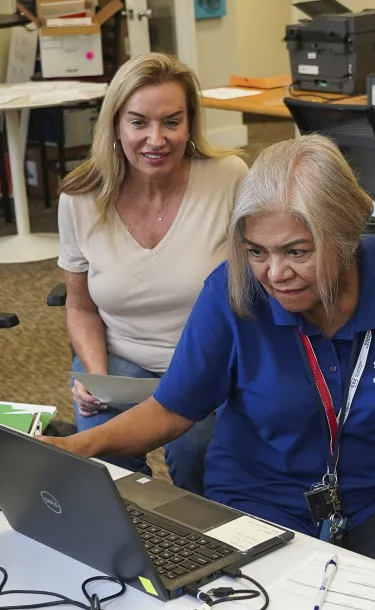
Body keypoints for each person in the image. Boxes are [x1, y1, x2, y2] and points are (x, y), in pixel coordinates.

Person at [43, 134, 375, 576]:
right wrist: (73, 447)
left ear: (347, 234)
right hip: (258, 497)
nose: (275, 274)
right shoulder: (231, 290)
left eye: (297, 252)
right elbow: (172, 410)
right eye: (256, 251)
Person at [56, 52, 247, 496]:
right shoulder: (81, 197)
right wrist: (95, 374)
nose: (155, 139)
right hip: (123, 361)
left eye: (171, 122)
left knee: (196, 452)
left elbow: (264, 280)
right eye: (138, 122)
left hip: (211, 363)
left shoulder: (228, 177)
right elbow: (80, 305)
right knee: (104, 462)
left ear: (190, 123)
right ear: (116, 125)